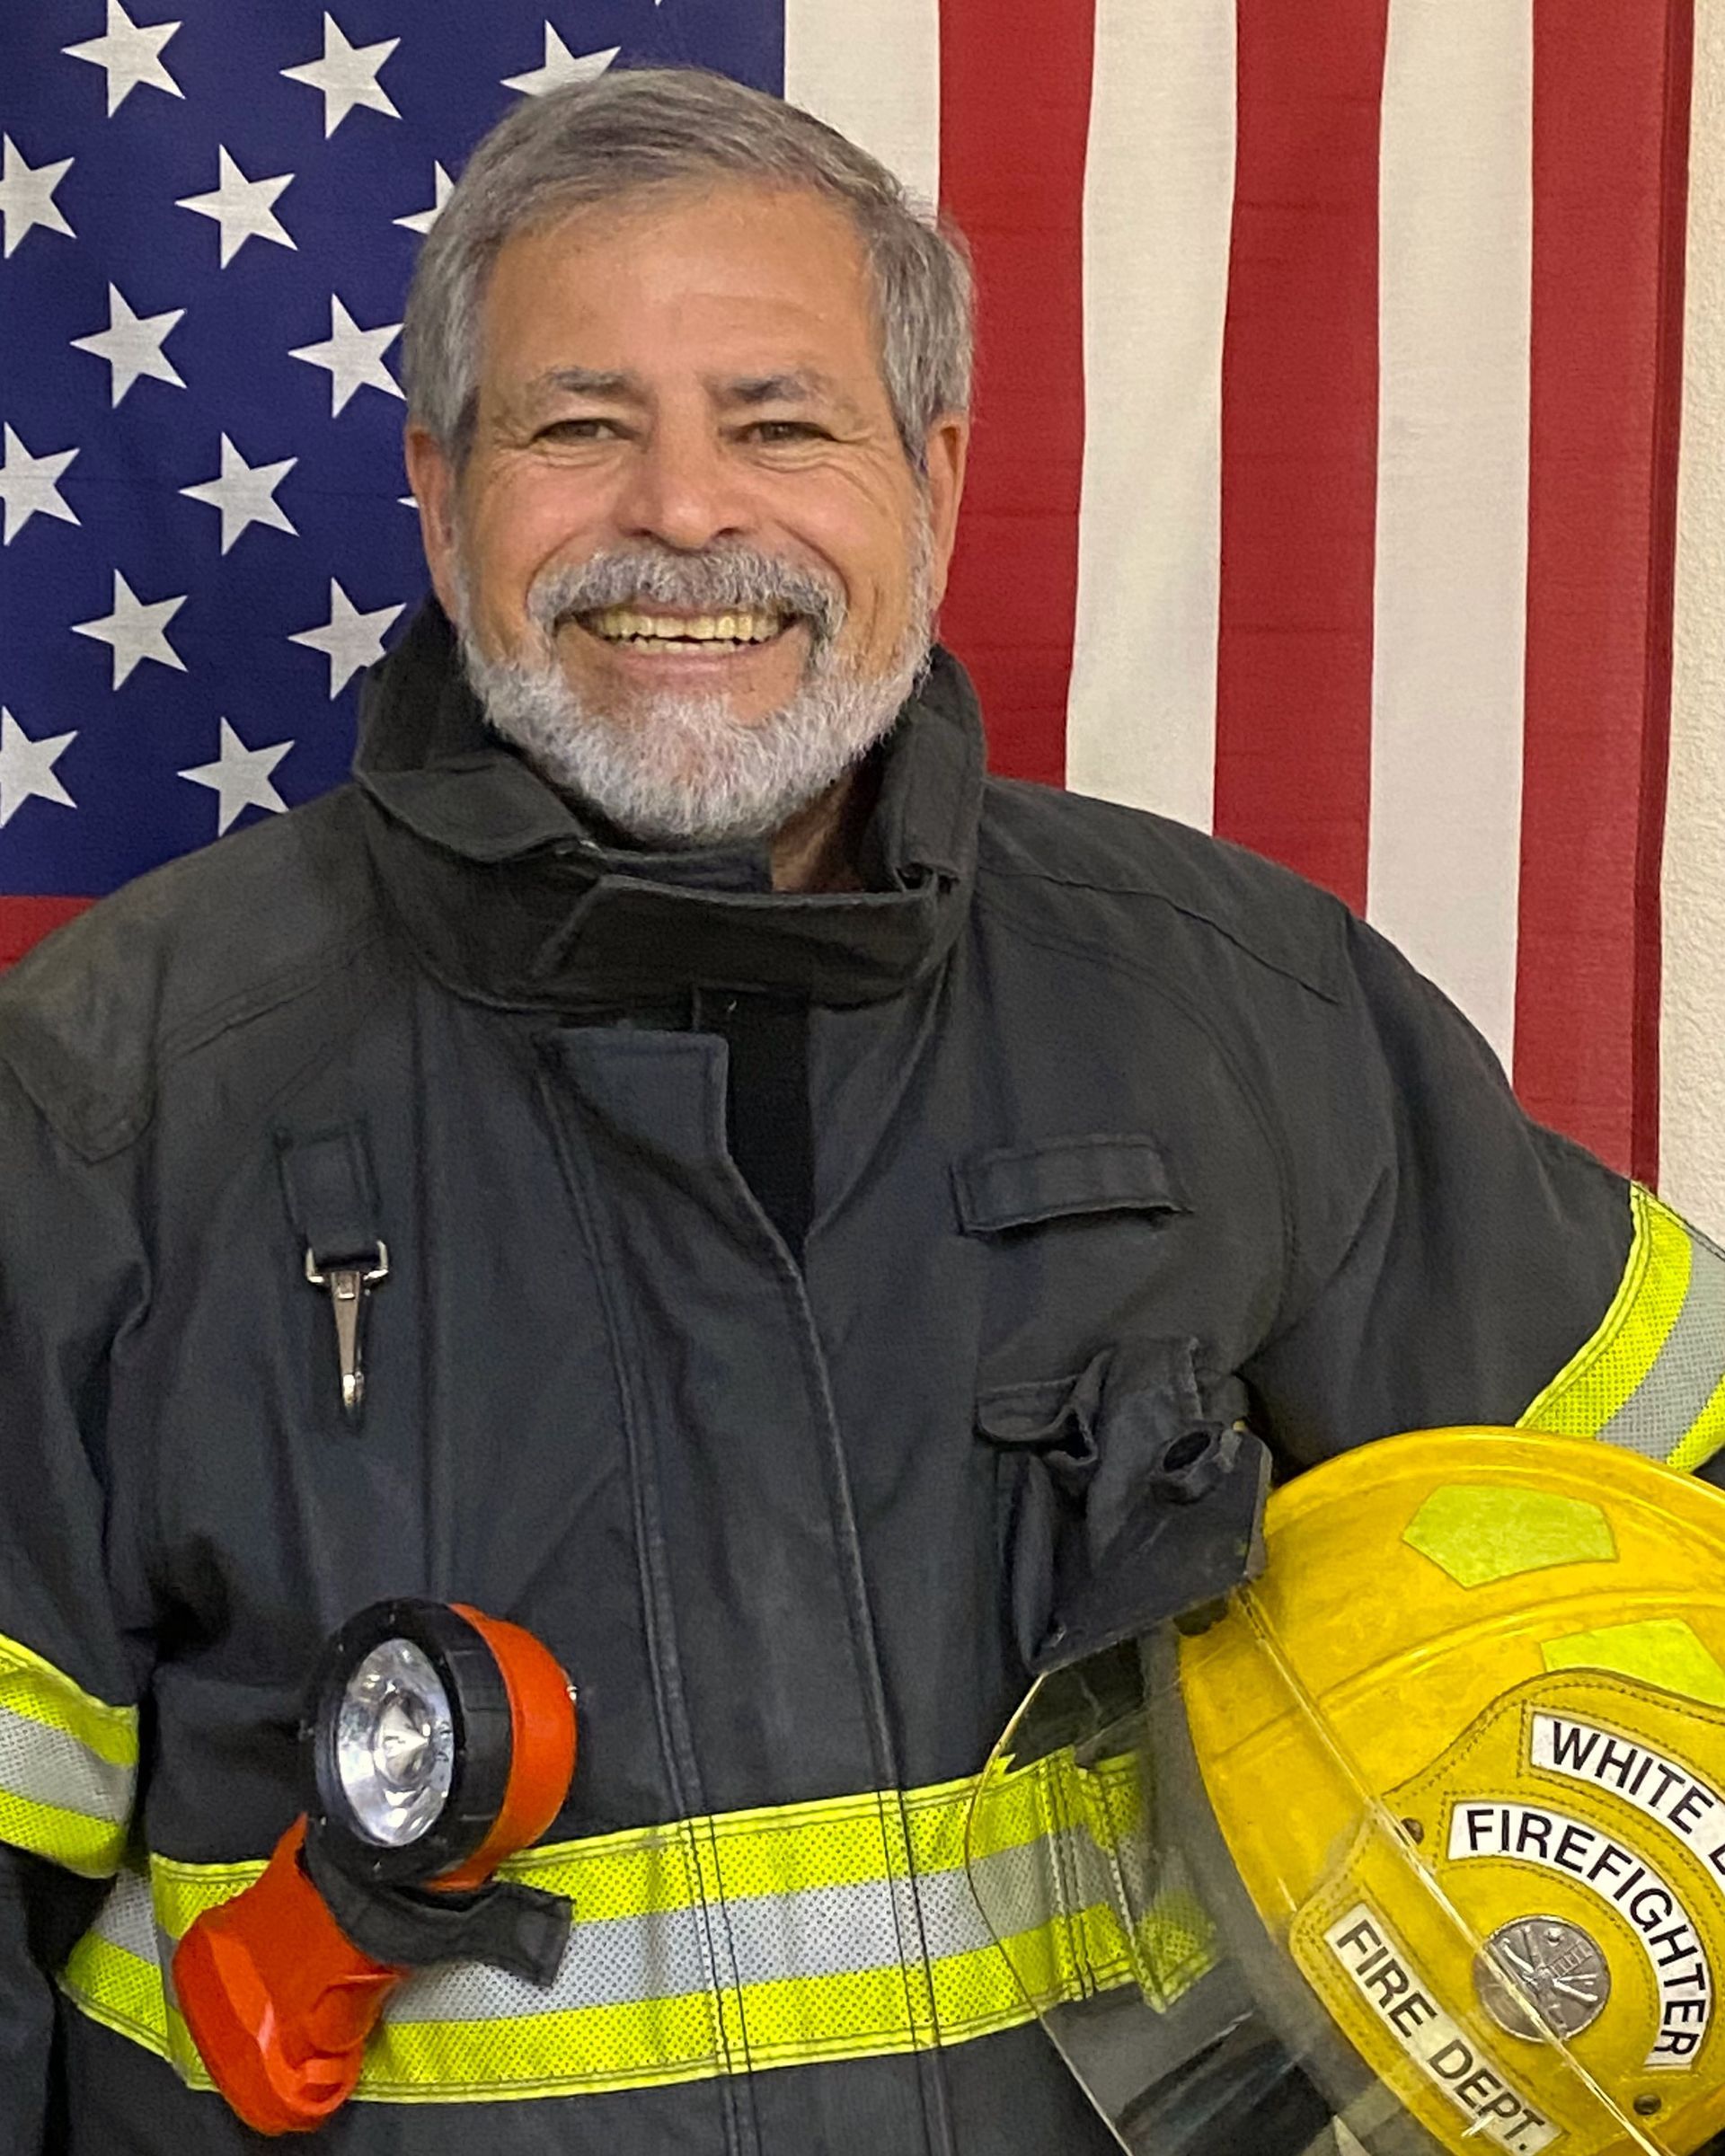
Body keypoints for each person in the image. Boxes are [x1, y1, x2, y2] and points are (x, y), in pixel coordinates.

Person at [0, 63, 1720, 2156]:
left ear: (934, 478)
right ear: (444, 504)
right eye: (580, 426)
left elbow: (1671, 1541)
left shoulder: (1237, 1005)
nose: (685, 514)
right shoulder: (109, 1096)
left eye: (779, 422)